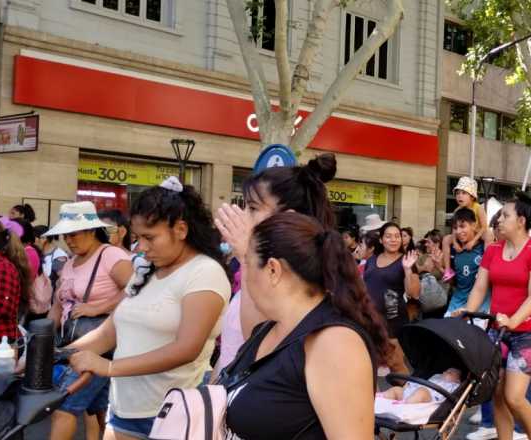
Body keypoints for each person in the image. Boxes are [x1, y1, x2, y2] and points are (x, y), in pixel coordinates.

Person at [67, 177, 231, 439]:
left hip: (171, 413)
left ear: (181, 229)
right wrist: (56, 353)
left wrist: (109, 368)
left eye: (149, 237)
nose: (141, 248)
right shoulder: (146, 270)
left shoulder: (204, 273)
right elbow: (109, 332)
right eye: (138, 237)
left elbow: (187, 348)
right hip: (123, 409)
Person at [222, 213, 388, 439]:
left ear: (273, 270)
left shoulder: (333, 343)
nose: (244, 278)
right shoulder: (269, 329)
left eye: (248, 265)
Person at [213, 154, 339, 376]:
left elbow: (256, 340)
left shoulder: (291, 274)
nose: (244, 215)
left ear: (288, 217)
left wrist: (246, 255)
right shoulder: (257, 265)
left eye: (253, 207)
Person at [454, 191, 531, 440]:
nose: (499, 221)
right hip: (497, 330)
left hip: (526, 333)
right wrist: (468, 311)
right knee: (496, 393)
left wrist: (514, 320)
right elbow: (480, 287)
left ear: (521, 221)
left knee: (514, 397)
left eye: (505, 215)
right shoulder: (493, 250)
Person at [44, 202, 133, 440]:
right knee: (104, 414)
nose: (68, 240)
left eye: (73, 234)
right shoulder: (70, 262)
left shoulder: (110, 254)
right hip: (72, 346)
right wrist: (42, 337)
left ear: (91, 230)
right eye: (65, 235)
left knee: (64, 407)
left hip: (102, 348)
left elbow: (136, 290)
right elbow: (57, 305)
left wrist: (98, 307)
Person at [362, 222, 420, 375]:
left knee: (395, 364)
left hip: (392, 319)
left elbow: (414, 293)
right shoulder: (371, 260)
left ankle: (406, 395)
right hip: (369, 319)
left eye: (397, 236)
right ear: (381, 240)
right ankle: (373, 397)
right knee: (367, 363)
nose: (393, 240)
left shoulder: (407, 261)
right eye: (388, 236)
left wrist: (407, 270)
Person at [446, 207, 488, 317]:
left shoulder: (484, 245)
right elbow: (453, 281)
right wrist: (440, 267)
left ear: (474, 225)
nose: (459, 231)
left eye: (462, 226)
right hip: (457, 302)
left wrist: (475, 239)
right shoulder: (453, 249)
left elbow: (488, 233)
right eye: (456, 228)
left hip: (481, 306)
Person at [442, 177, 491, 272]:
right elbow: (454, 228)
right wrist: (455, 242)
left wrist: (473, 241)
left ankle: (487, 265)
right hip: (463, 234)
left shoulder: (478, 208)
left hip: (478, 233)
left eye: (464, 193)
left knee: (489, 234)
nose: (460, 196)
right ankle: (448, 270)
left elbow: (484, 226)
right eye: (457, 193)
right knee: (446, 239)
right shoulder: (457, 210)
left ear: (472, 196)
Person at [380, 368, 461, 404]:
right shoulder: (436, 377)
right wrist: (410, 385)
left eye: (450, 372)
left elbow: (457, 393)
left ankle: (404, 404)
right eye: (446, 371)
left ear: (457, 380)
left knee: (422, 391)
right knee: (397, 389)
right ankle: (382, 398)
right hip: (414, 392)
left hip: (430, 398)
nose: (445, 372)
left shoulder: (454, 385)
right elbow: (424, 382)